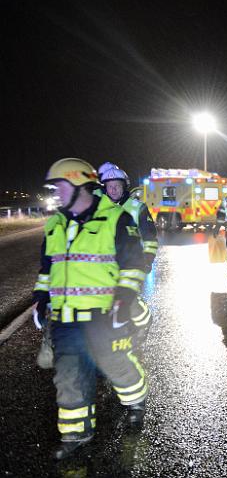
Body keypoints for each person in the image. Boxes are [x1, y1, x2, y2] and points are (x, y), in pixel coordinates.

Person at [31, 158, 148, 460]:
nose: (56, 191)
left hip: (105, 314)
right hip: (66, 318)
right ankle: (76, 434)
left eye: (60, 185)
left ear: (80, 184)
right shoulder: (55, 223)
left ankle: (135, 402)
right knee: (68, 376)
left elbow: (134, 264)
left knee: (114, 364)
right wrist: (41, 298)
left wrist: (124, 296)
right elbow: (48, 268)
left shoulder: (116, 219)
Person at [98, 162, 157, 334]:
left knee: (128, 299)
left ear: (124, 187)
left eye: (117, 186)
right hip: (107, 265)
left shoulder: (137, 208)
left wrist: (147, 259)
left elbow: (150, 238)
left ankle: (143, 324)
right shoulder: (100, 208)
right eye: (110, 186)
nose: (114, 190)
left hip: (132, 262)